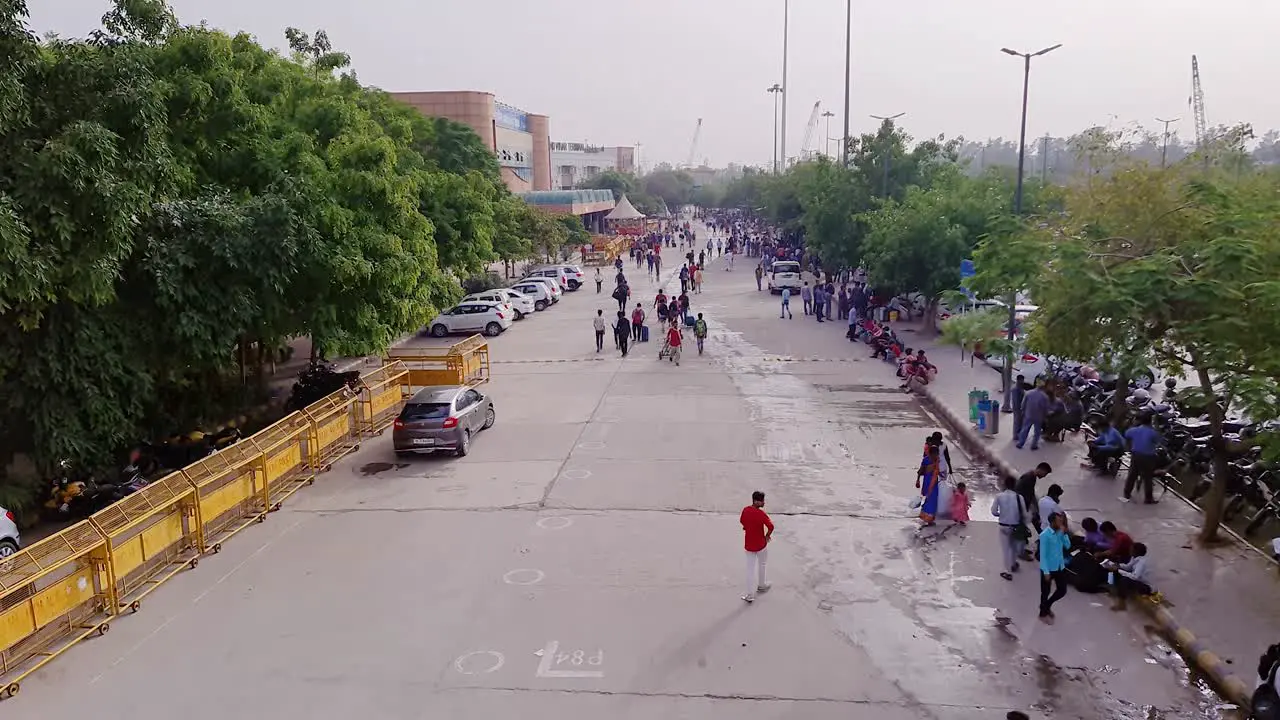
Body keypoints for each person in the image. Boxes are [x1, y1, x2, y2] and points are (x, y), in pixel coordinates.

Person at [991, 475, 1030, 580]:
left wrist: (1001, 514)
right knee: (1013, 547)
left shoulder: (999, 496)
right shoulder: (1019, 497)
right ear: (1015, 485)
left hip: (1003, 526)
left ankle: (1006, 571)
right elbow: (1025, 514)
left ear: (1005, 485)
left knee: (1005, 549)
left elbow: (994, 511)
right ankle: (1013, 564)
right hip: (1015, 526)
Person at [740, 491, 773, 603]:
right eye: (762, 500)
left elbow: (742, 521)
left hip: (749, 545)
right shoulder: (761, 514)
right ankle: (762, 585)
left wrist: (747, 528)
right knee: (762, 564)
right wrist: (767, 536)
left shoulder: (745, 510)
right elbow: (771, 526)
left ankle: (749, 595)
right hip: (761, 545)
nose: (764, 502)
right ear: (757, 501)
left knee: (750, 570)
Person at [1038, 512, 1071, 623]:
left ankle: (1046, 605)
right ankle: (1043, 613)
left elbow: (1067, 546)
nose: (1061, 522)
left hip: (1059, 566)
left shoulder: (1060, 532)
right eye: (1058, 521)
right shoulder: (1045, 535)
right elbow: (1043, 555)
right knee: (1045, 592)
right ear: (1052, 522)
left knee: (1062, 590)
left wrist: (1064, 533)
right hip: (1048, 568)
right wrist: (1046, 571)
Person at [1122, 413, 1163, 504]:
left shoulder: (1134, 430)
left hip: (1136, 454)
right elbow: (1158, 440)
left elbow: (1127, 435)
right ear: (1150, 421)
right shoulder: (1152, 432)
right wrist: (1156, 426)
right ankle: (1148, 498)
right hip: (1148, 456)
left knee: (1132, 474)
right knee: (1148, 477)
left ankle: (1127, 493)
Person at [1104, 542, 1152, 610]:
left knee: (1125, 580)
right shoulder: (1134, 558)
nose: (1129, 550)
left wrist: (1118, 570)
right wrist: (1117, 565)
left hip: (1145, 586)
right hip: (1137, 580)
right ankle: (1111, 588)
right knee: (1111, 571)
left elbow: (1135, 577)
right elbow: (1128, 567)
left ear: (1136, 552)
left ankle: (1121, 604)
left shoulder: (1142, 563)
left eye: (1131, 549)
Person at [1015, 462, 1053, 534]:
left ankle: (1042, 535)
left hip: (1021, 504)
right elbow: (1028, 495)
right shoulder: (1029, 477)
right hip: (1020, 505)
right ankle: (1043, 536)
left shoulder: (1031, 476)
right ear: (1042, 470)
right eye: (1045, 473)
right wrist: (1035, 508)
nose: (1044, 476)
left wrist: (1037, 507)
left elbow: (1031, 494)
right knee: (1035, 518)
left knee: (1035, 517)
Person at [1017, 383, 1050, 450]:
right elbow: (1045, 408)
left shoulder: (1028, 393)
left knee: (1025, 429)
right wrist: (1045, 416)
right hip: (1038, 416)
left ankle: (1020, 443)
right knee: (1037, 432)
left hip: (1028, 414)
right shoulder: (1044, 397)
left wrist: (1023, 411)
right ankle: (1034, 445)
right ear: (1043, 388)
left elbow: (1023, 404)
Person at [916, 445, 942, 526]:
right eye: (935, 454)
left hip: (933, 482)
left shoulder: (936, 460)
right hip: (928, 482)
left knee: (932, 500)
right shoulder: (927, 460)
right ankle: (928, 518)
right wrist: (918, 480)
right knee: (930, 499)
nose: (937, 455)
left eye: (937, 454)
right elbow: (920, 470)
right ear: (931, 454)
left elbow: (937, 472)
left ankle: (927, 516)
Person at [1010, 375, 1028, 440]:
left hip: (1019, 408)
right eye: (1022, 380)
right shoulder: (1015, 389)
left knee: (1019, 422)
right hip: (1017, 409)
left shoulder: (1019, 387)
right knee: (1017, 422)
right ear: (1019, 380)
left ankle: (1018, 434)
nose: (1023, 381)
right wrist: (1020, 408)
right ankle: (1016, 435)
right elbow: (1016, 400)